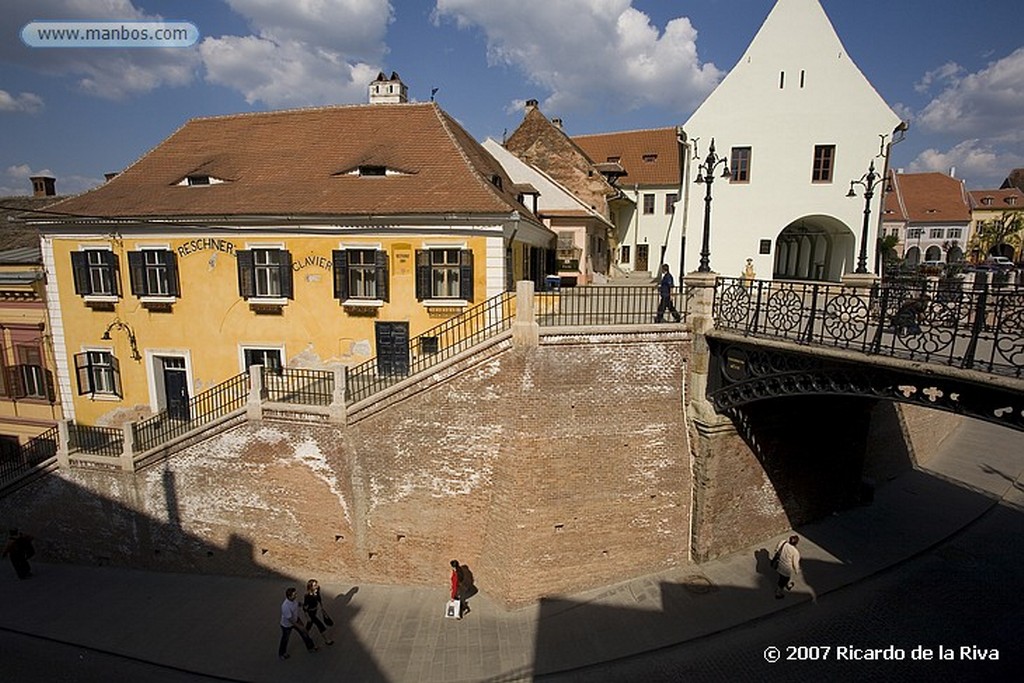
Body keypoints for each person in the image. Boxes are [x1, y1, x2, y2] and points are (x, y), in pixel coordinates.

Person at [278, 587, 317, 660]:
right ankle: (282, 653)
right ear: (289, 597)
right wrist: (299, 626)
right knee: (285, 639)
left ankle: (310, 647)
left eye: (296, 594)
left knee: (305, 633)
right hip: (287, 625)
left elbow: (297, 603)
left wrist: (302, 604)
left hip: (296, 619)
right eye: (294, 595)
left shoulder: (294, 600)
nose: (296, 596)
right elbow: (290, 620)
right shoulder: (285, 606)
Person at [302, 579, 334, 645]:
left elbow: (319, 599)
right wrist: (307, 616)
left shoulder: (317, 590)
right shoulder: (307, 596)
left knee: (310, 624)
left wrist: (322, 607)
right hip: (310, 613)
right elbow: (305, 608)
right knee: (320, 625)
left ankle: (305, 633)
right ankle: (327, 640)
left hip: (315, 611)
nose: (316, 586)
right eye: (314, 585)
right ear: (310, 587)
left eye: (316, 584)